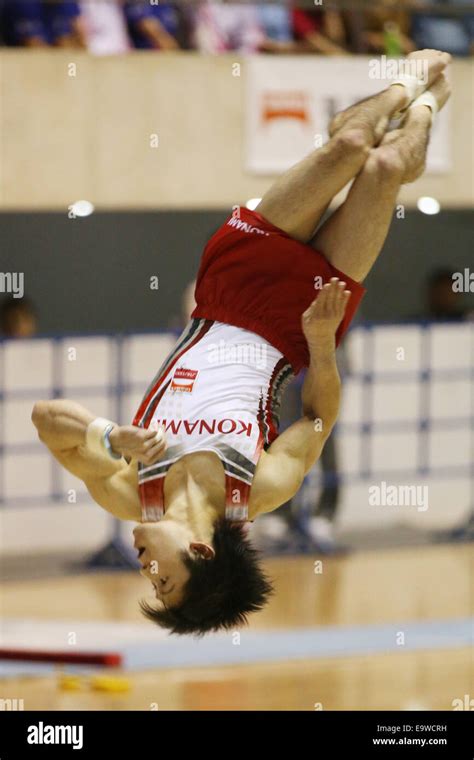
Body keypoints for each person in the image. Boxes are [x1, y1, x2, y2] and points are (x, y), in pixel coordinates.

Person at [32, 50, 452, 635]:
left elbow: (45, 419)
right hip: (301, 325)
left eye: (149, 579)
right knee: (382, 166)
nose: (146, 567)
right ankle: (431, 106)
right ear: (202, 553)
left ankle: (406, 82)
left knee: (349, 145)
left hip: (229, 288)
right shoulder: (257, 490)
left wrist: (106, 434)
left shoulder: (128, 491)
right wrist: (323, 343)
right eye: (162, 578)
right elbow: (318, 421)